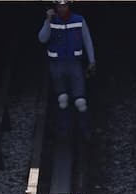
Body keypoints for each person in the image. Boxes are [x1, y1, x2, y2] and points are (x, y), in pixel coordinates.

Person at [38, 0, 96, 138]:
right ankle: (63, 131)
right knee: (62, 99)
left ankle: (86, 132)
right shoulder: (52, 21)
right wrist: (47, 21)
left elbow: (87, 39)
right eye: (59, 5)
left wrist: (92, 60)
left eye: (64, 5)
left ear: (68, 5)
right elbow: (42, 38)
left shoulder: (79, 20)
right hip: (57, 64)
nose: (62, 8)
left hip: (74, 64)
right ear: (55, 6)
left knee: (80, 101)